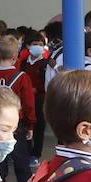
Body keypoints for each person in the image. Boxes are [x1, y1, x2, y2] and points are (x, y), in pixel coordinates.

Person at [0, 35, 36, 182]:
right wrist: (30, 124)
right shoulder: (22, 77)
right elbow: (28, 104)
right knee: (22, 163)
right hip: (16, 125)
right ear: (15, 57)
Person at [22, 30, 51, 165]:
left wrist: (37, 89)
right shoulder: (23, 63)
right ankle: (25, 150)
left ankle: (35, 153)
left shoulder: (45, 64)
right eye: (35, 44)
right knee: (26, 124)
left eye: (40, 44)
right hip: (24, 99)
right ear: (28, 46)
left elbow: (47, 82)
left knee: (39, 125)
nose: (38, 46)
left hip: (40, 99)